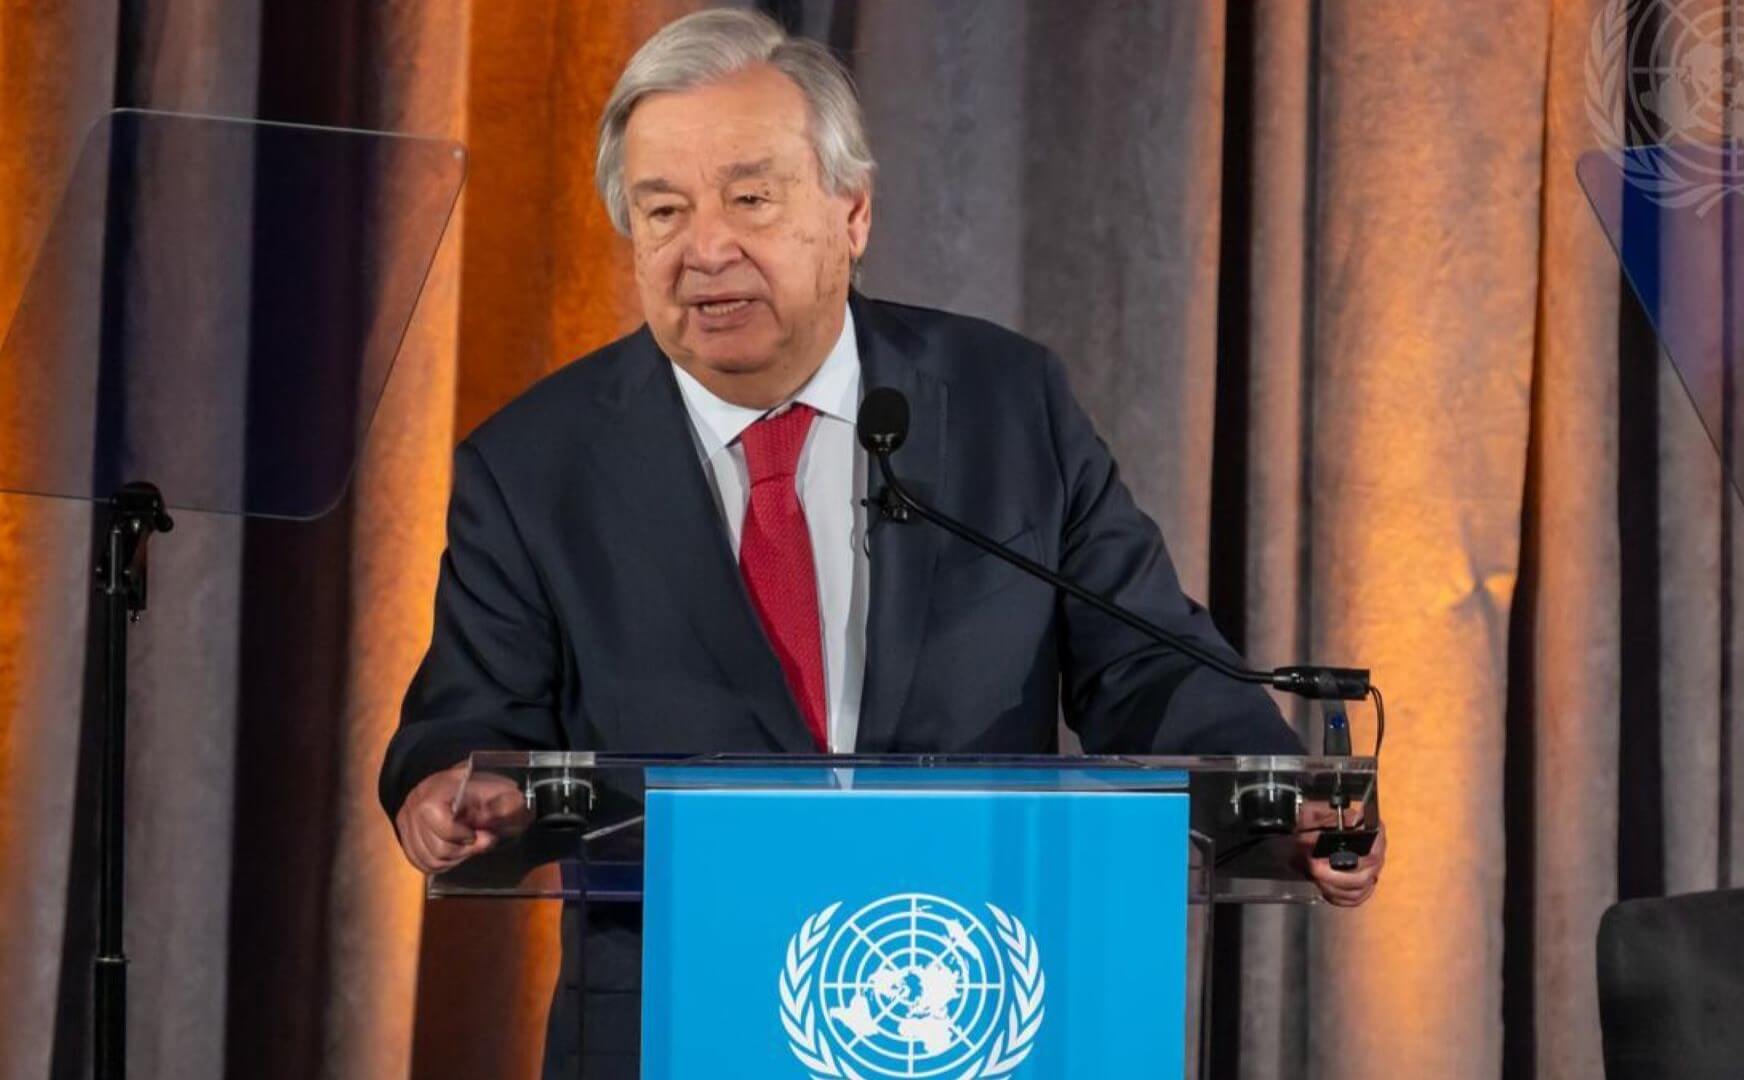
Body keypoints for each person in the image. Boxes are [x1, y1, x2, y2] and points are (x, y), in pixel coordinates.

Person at [379, 9, 1384, 1075]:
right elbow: (470, 716)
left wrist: (1278, 786)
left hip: (983, 999)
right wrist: (443, 788)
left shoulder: (1005, 405)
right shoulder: (534, 465)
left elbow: (1145, 660)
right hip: (675, 1021)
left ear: (852, 212)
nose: (703, 246)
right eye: (660, 210)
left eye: (750, 199)